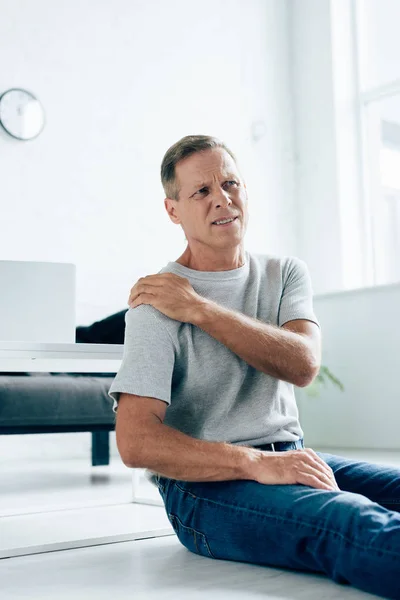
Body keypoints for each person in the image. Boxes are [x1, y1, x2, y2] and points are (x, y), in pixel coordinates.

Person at [108, 135, 400, 599]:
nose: (221, 199)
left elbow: (303, 364)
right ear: (173, 211)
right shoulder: (155, 305)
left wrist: (202, 309)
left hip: (290, 456)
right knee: (350, 522)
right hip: (204, 492)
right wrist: (253, 462)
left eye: (230, 183)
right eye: (200, 191)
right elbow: (136, 440)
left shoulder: (283, 273)